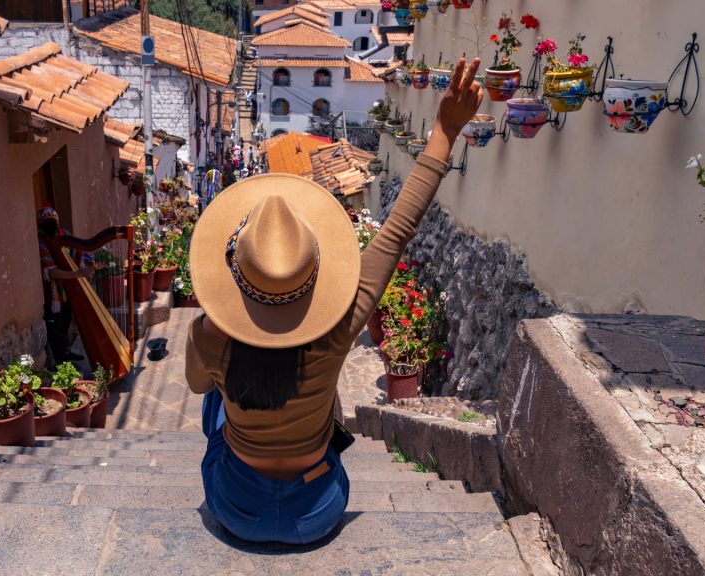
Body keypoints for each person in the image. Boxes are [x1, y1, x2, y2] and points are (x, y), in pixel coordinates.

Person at [184, 58, 483, 545]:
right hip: (317, 511)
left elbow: (199, 386)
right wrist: (445, 131)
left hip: (235, 506)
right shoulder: (341, 325)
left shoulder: (207, 335)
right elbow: (398, 230)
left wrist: (220, 347)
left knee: (217, 392)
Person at [36, 207, 95, 366]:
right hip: (53, 292)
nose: (50, 225)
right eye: (46, 222)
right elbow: (52, 272)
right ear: (41, 225)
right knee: (56, 326)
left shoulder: (65, 236)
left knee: (66, 321)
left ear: (57, 222)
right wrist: (76, 275)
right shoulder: (41, 243)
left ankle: (66, 353)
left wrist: (87, 264)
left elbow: (80, 251)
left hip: (68, 290)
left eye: (52, 222)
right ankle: (61, 360)